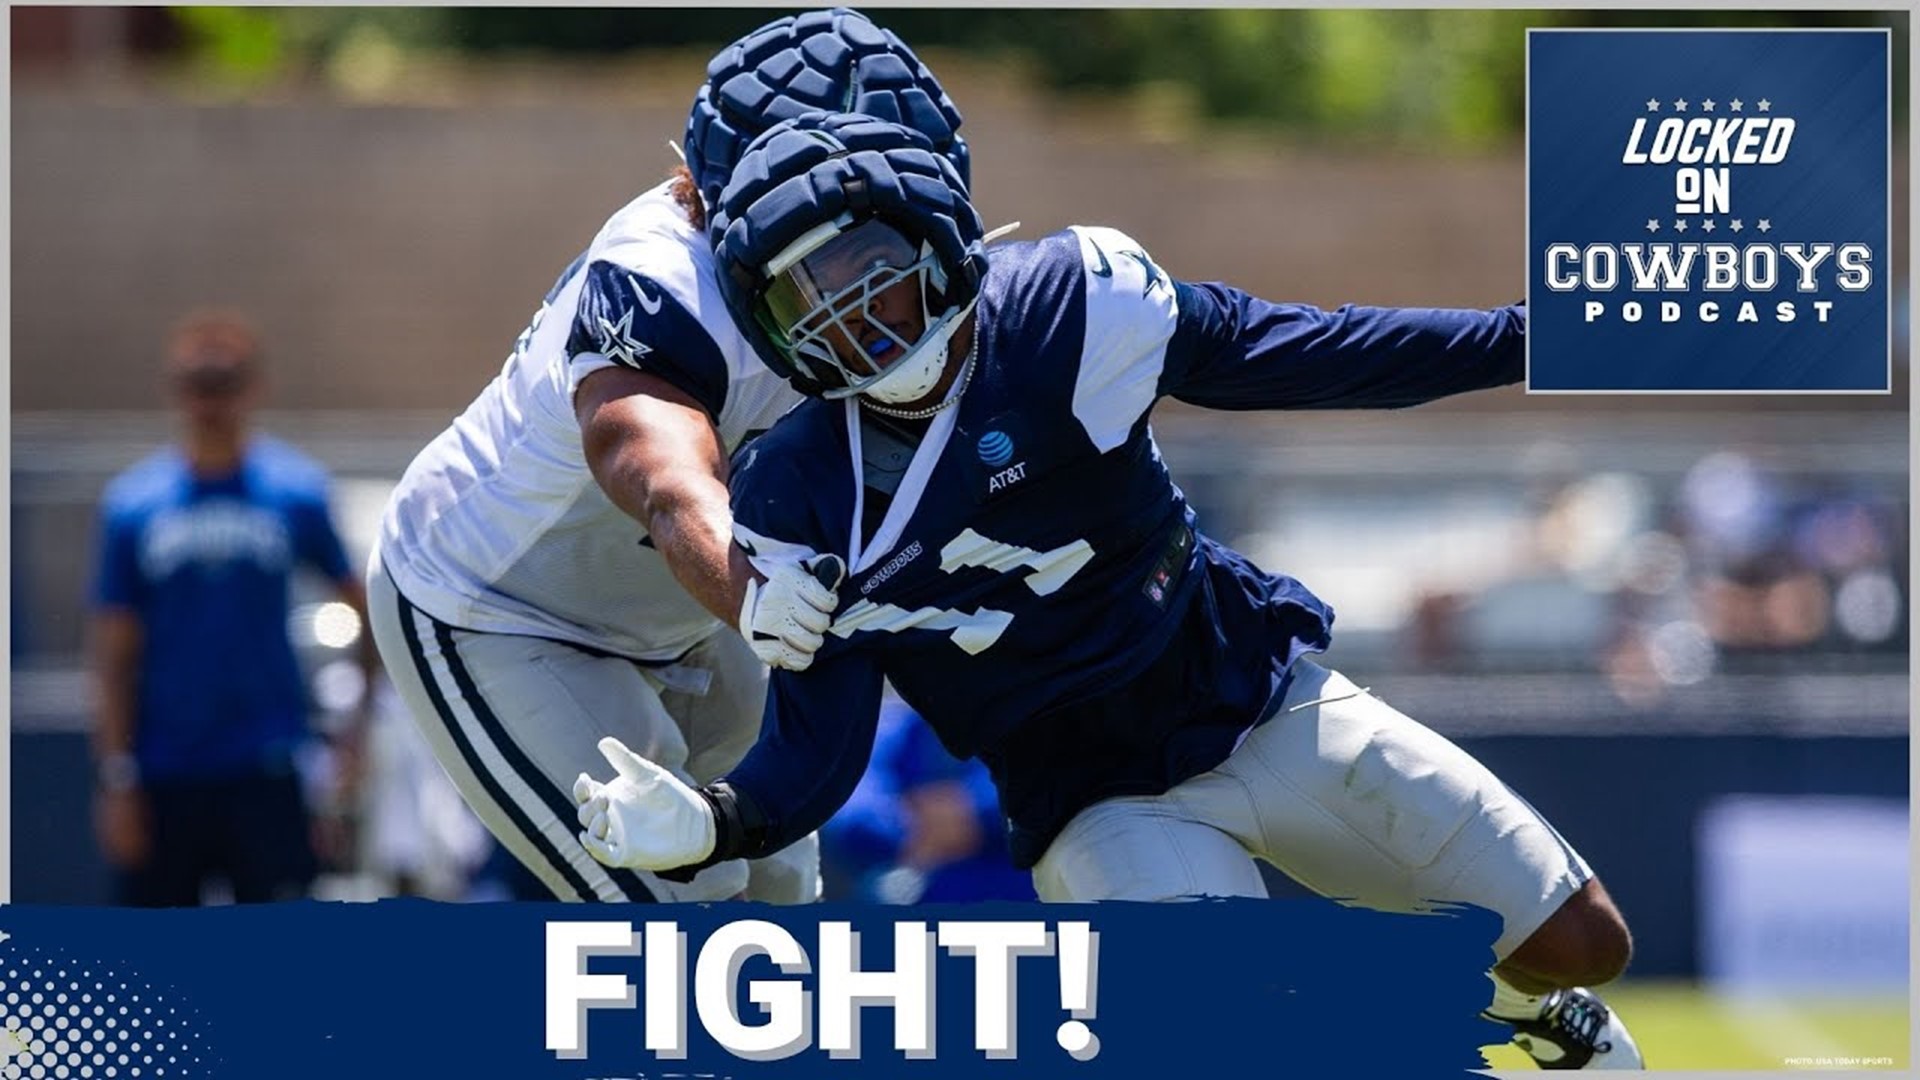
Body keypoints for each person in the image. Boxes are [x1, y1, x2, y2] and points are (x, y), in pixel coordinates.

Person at [572, 113, 1645, 1068]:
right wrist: (717, 822)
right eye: (808, 292)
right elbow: (819, 748)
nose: (850, 312)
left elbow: (1311, 352)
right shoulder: (799, 492)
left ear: (936, 233)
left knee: (1584, 943)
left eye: (863, 264)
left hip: (1250, 696)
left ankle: (1526, 1011)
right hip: (1094, 802)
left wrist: (1525, 335)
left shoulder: (1068, 310)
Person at [364, 9, 970, 903]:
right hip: (501, 613)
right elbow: (661, 477)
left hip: (686, 616)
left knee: (780, 902)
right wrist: (756, 592)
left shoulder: (911, 268)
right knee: (679, 917)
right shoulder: (662, 285)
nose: (887, 240)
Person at [90, 309, 376, 906]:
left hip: (266, 762)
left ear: (254, 388)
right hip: (166, 765)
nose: (211, 402)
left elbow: (368, 607)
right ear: (176, 391)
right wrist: (117, 778)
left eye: (225, 384)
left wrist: (354, 734)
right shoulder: (133, 505)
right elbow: (114, 653)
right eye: (198, 385)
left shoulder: (294, 491)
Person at [820, 695, 1036, 903]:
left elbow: (1045, 780)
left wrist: (974, 812)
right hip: (914, 917)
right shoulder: (892, 729)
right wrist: (908, 826)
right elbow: (843, 805)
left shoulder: (1034, 720)